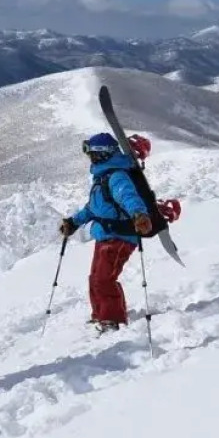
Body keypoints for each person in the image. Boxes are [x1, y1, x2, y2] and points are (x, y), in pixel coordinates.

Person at [59, 132, 153, 332]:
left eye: (92, 153)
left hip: (119, 236)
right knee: (95, 278)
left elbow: (128, 197)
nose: (90, 158)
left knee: (104, 279)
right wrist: (74, 222)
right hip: (105, 235)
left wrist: (139, 214)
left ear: (103, 154)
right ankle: (101, 315)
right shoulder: (102, 178)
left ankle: (112, 320)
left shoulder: (117, 176)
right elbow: (92, 208)